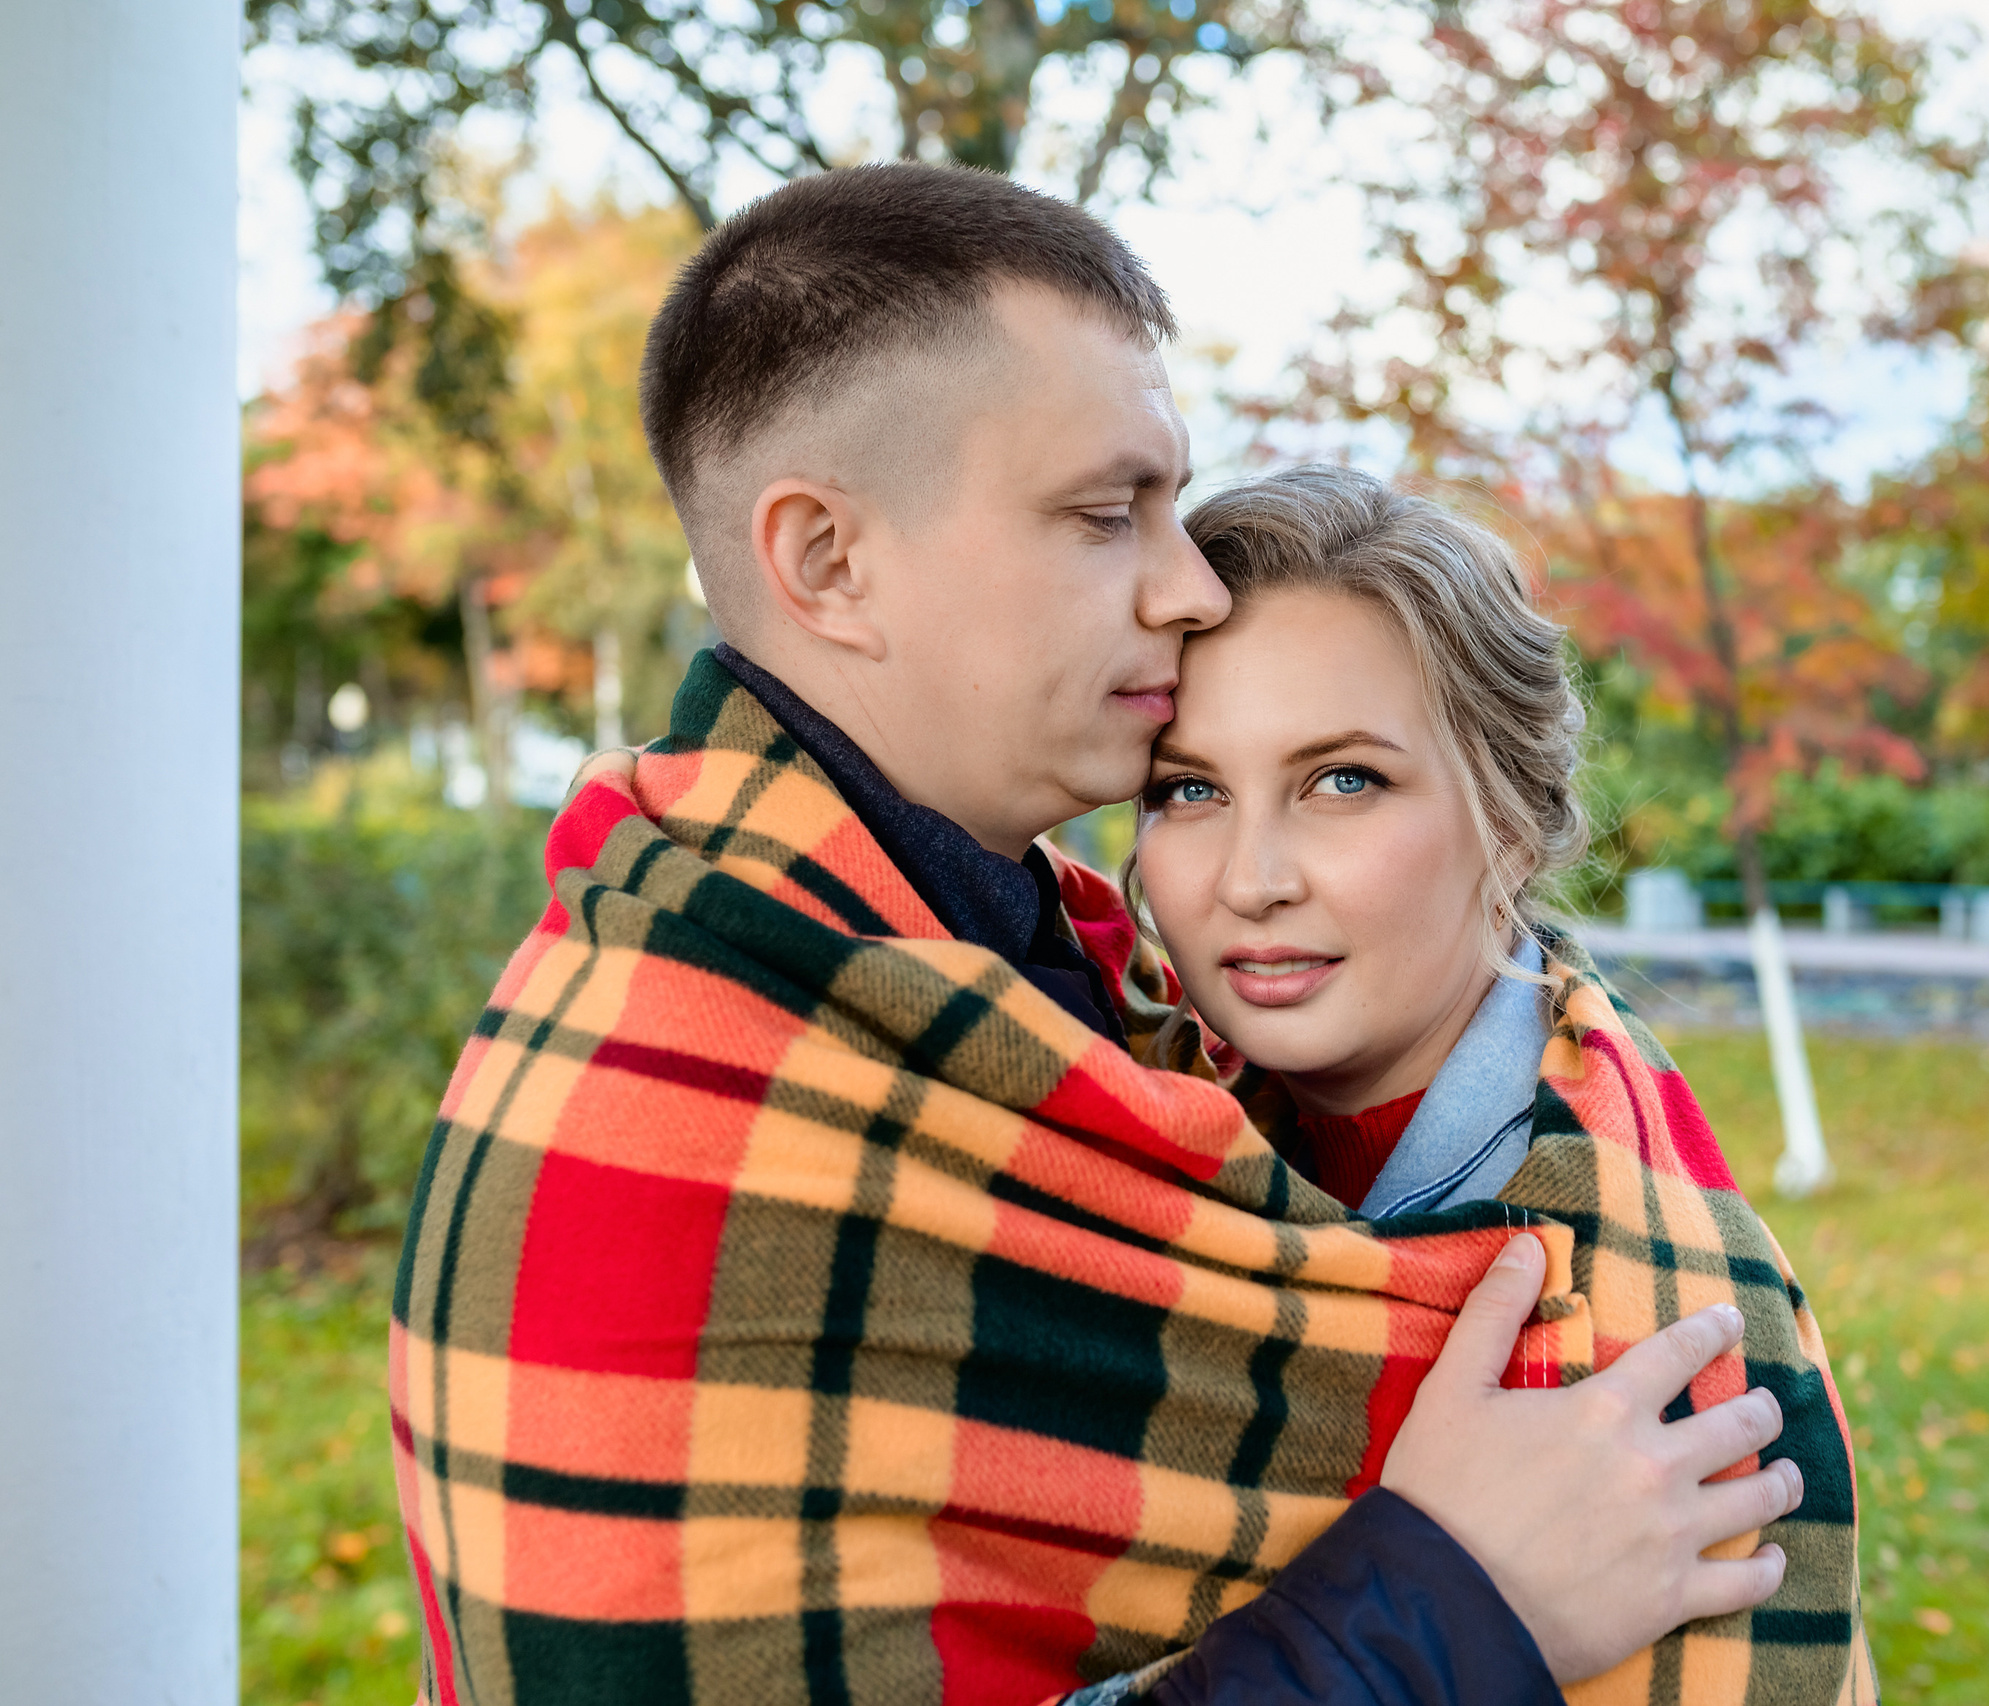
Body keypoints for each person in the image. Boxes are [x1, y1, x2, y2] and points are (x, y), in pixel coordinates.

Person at [388, 162, 1803, 1706]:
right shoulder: (669, 1100)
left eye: (1173, 506)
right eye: (1103, 512)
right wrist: (1437, 1608)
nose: (1189, 584)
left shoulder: (1049, 978)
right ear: (828, 564)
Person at [1128, 466, 1872, 1702]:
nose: (1248, 877)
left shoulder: (1614, 1309)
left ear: (1513, 822)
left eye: (1342, 779)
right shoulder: (1193, 1114)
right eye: (1188, 788)